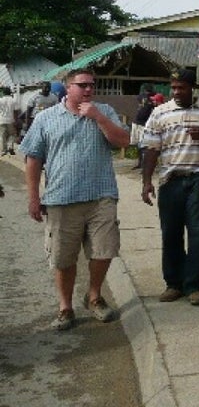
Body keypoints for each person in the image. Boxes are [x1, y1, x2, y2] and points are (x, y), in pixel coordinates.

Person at [20, 69, 130, 330]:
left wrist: (99, 118)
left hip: (101, 196)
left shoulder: (104, 111)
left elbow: (123, 141)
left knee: (104, 251)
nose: (89, 90)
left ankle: (94, 296)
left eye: (92, 85)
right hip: (61, 198)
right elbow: (33, 159)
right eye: (82, 85)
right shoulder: (46, 118)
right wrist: (34, 198)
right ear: (67, 88)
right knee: (63, 258)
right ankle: (65, 306)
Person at [140, 67, 199, 306]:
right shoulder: (160, 112)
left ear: (193, 89)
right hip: (170, 179)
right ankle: (173, 283)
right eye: (174, 87)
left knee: (197, 232)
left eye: (182, 88)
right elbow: (151, 148)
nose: (176, 92)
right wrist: (147, 182)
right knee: (171, 232)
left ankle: (195, 285)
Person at [0, 86, 18, 155]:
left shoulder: (0, 100)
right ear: (10, 92)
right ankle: (10, 147)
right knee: (12, 135)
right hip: (10, 120)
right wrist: (16, 120)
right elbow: (16, 111)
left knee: (2, 135)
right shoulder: (13, 100)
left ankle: (3, 151)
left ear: (3, 93)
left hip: (1, 120)